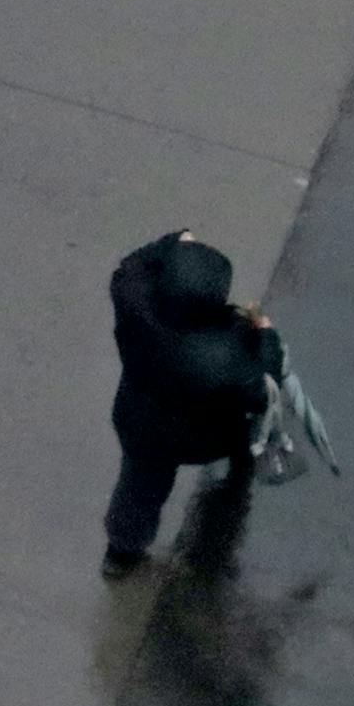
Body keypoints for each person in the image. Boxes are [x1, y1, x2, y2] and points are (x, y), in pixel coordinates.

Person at [101, 229, 283, 579]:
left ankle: (120, 554)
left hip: (141, 425)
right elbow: (263, 389)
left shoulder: (134, 302)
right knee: (241, 434)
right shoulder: (226, 351)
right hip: (204, 437)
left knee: (138, 491)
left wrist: (173, 241)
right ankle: (240, 464)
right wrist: (264, 334)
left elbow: (132, 265)